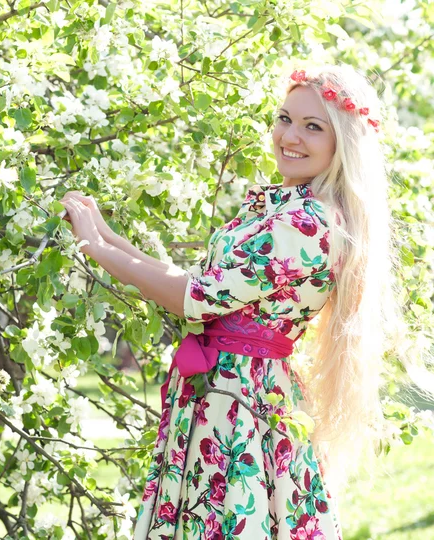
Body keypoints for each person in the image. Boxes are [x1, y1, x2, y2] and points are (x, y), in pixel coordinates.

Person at [60, 64, 398, 539]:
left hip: (241, 399)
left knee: (232, 517)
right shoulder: (283, 205)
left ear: (342, 141)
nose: (290, 136)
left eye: (312, 126)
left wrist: (96, 249)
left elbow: (194, 298)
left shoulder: (309, 224)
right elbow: (201, 281)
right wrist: (110, 238)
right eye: (285, 118)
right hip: (222, 388)